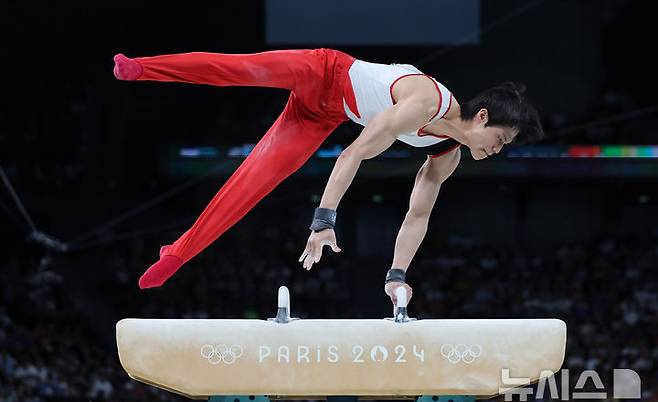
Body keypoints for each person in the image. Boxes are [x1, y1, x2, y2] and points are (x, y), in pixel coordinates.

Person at [113, 48, 543, 305]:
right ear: (481, 116)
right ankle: (143, 68)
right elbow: (355, 153)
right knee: (240, 69)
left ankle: (178, 254)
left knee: (256, 180)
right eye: (500, 138)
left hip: (323, 114)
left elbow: (417, 216)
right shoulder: (424, 101)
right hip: (323, 70)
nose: (497, 149)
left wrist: (397, 277)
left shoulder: (447, 154)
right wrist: (324, 219)